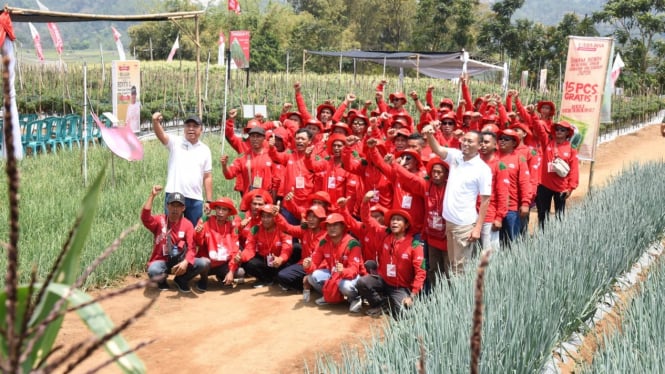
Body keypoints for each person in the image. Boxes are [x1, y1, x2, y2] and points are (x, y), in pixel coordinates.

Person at [422, 124, 492, 274]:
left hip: (464, 225)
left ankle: (461, 296)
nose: (465, 143)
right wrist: (429, 135)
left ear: (480, 145)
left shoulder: (482, 169)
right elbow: (438, 149)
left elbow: (485, 200)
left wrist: (478, 228)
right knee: (452, 263)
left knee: (460, 268)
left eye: (470, 141)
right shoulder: (456, 156)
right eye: (464, 140)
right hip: (449, 221)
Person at [356, 208, 426, 318]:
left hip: (400, 287)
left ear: (406, 225)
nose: (394, 222)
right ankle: (381, 305)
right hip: (383, 280)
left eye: (399, 220)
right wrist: (365, 203)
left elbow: (421, 272)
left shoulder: (414, 244)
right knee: (362, 282)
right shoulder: (385, 236)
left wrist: (412, 296)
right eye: (393, 219)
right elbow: (368, 220)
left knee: (403, 315)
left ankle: (390, 303)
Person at [141, 186, 209, 292]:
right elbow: (145, 218)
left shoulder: (188, 224)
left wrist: (186, 262)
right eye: (173, 205)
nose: (175, 209)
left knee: (202, 263)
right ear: (167, 206)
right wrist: (152, 196)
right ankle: (162, 281)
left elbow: (192, 248)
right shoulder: (160, 220)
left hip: (180, 261)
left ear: (183, 208)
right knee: (153, 270)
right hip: (162, 260)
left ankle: (181, 279)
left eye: (179, 206)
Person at [152, 112, 213, 226]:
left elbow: (207, 176)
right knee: (171, 231)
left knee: (194, 233)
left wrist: (209, 201)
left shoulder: (205, 150)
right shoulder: (175, 142)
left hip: (195, 199)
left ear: (201, 129)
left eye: (195, 126)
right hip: (174, 195)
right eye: (188, 126)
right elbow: (161, 136)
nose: (191, 129)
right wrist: (155, 122)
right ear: (184, 128)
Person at [302, 213, 363, 312]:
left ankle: (355, 298)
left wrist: (343, 271)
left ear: (342, 226)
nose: (332, 228)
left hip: (353, 276)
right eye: (329, 225)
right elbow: (315, 263)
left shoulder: (353, 244)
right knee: (312, 277)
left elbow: (354, 270)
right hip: (334, 273)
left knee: (345, 285)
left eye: (335, 225)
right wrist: (308, 266)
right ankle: (329, 296)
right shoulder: (323, 242)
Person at [532, 120, 579, 229]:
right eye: (557, 129)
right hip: (544, 185)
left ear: (568, 133)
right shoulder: (547, 143)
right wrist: (533, 114)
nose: (559, 131)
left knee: (560, 215)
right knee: (543, 214)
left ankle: (558, 236)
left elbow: (574, 169)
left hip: (561, 187)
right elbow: (539, 130)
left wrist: (570, 188)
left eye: (562, 130)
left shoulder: (571, 149)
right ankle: (543, 236)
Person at [237, 203, 293, 288]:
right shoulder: (255, 229)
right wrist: (241, 257)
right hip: (264, 261)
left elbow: (287, 247)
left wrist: (281, 259)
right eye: (263, 216)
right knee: (247, 263)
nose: (265, 219)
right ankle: (266, 280)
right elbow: (249, 248)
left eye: (269, 216)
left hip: (280, 261)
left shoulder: (282, 228)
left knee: (296, 250)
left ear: (275, 217)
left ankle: (282, 278)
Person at [194, 197, 243, 290]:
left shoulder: (232, 227)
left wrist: (231, 272)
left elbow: (234, 251)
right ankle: (203, 279)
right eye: (218, 208)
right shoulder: (206, 221)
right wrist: (198, 233)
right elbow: (198, 243)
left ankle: (222, 276)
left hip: (222, 264)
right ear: (215, 209)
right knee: (204, 263)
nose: (220, 212)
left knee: (240, 272)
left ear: (229, 213)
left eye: (224, 209)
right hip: (207, 264)